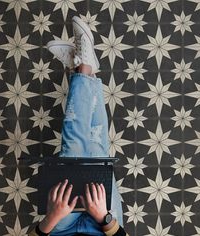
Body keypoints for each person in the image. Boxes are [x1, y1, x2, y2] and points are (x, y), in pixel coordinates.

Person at [29, 16, 128, 236]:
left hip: (60, 229)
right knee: (95, 152)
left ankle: (86, 69)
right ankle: (83, 69)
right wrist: (104, 217)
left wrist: (52, 217)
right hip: (102, 227)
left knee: (77, 152)